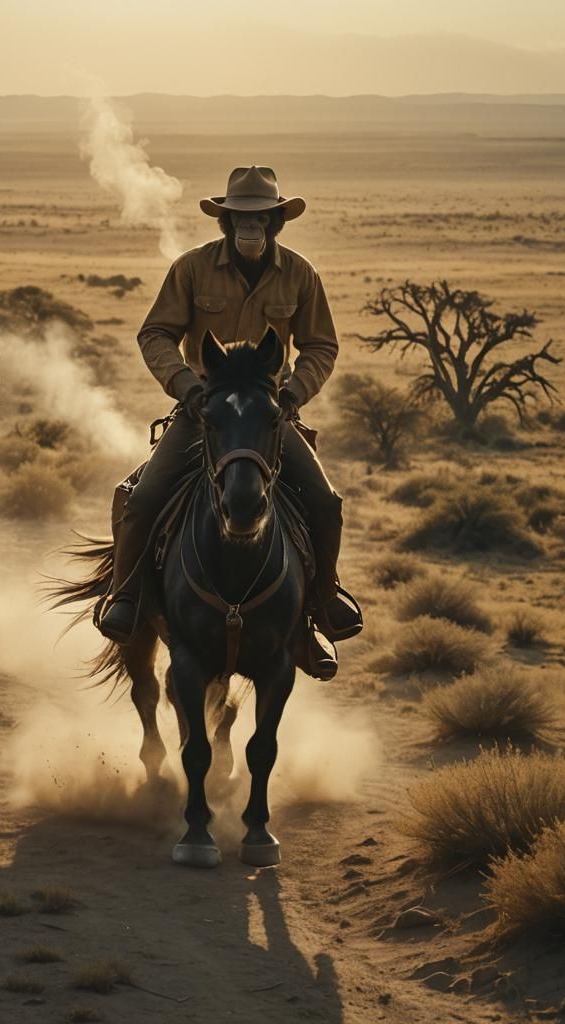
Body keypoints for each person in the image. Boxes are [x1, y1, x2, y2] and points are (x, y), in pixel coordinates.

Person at [97, 165, 362, 679]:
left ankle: (318, 611)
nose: (250, 227)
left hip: (269, 414)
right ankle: (125, 598)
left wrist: (295, 391)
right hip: (204, 413)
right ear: (224, 222)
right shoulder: (191, 268)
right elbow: (155, 333)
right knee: (142, 498)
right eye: (240, 218)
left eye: (260, 218)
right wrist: (185, 385)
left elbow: (321, 345)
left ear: (276, 222)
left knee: (325, 504)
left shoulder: (301, 274)